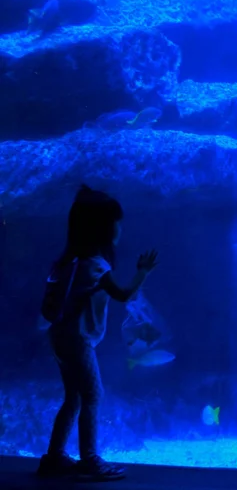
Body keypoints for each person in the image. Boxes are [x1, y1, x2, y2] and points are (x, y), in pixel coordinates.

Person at [37, 185, 159, 481]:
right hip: (78, 341)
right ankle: (89, 459)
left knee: (73, 398)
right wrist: (143, 271)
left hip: (58, 336)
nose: (119, 228)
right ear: (102, 228)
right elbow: (125, 295)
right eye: (116, 222)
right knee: (93, 395)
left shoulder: (67, 263)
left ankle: (53, 457)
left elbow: (48, 306)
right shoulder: (95, 266)